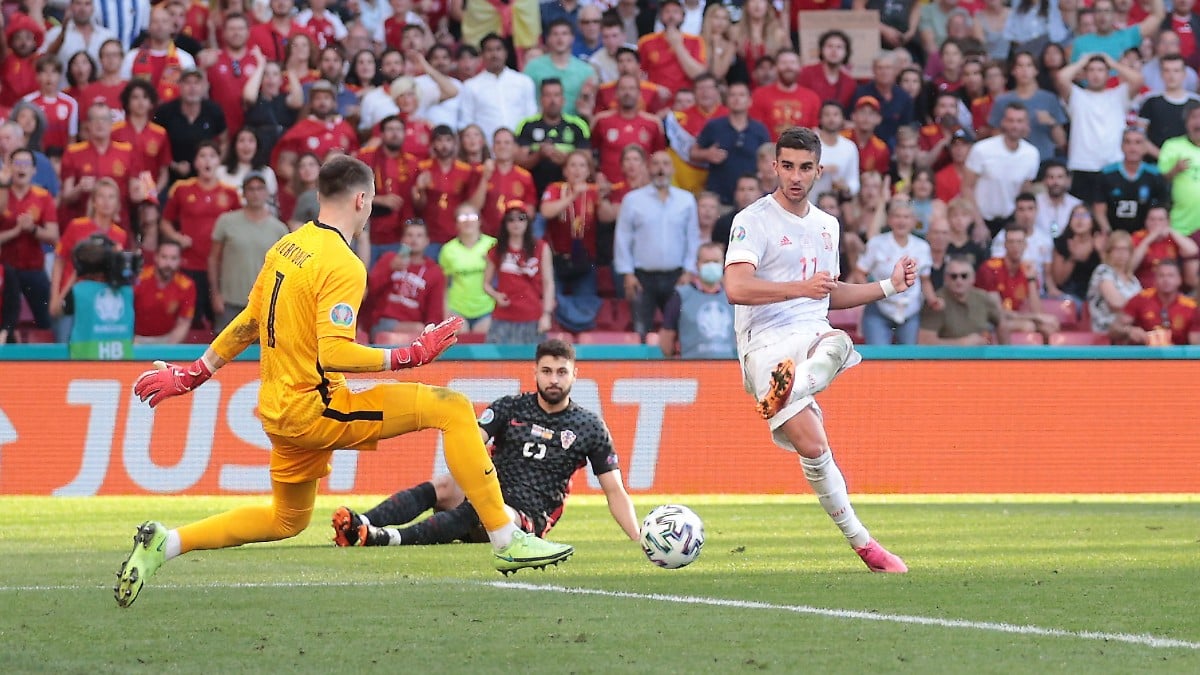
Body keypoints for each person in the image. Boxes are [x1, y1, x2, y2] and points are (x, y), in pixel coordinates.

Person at [116, 155, 575, 609]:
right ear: (361, 199)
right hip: (316, 407)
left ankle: (167, 543)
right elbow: (333, 352)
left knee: (286, 520)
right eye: (372, 200)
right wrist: (408, 355)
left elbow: (250, 319)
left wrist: (197, 371)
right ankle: (505, 539)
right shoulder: (344, 263)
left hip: (279, 409)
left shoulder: (286, 246)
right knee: (452, 408)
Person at [723, 126, 912, 573]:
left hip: (809, 334)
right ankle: (862, 541)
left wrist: (888, 286)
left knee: (840, 339)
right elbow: (735, 286)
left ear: (819, 171)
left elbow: (827, 296)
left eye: (805, 167)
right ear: (774, 167)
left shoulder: (828, 226)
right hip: (764, 342)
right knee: (814, 446)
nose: (795, 176)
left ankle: (868, 550)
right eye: (787, 166)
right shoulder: (753, 219)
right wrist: (798, 288)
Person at [331, 338, 640, 547]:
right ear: (535, 371)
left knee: (483, 507)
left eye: (562, 372)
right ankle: (361, 523)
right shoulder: (510, 407)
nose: (554, 379)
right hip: (490, 494)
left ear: (575, 374)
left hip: (526, 519)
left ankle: (384, 537)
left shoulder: (588, 426)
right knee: (444, 485)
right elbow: (469, 444)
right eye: (547, 371)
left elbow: (615, 491)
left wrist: (638, 538)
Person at [614, 151, 701, 339]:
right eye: (656, 164)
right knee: (641, 331)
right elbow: (623, 238)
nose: (661, 169)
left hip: (677, 276)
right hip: (642, 277)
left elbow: (693, 237)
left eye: (666, 164)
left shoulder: (686, 200)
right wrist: (628, 274)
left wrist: (688, 270)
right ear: (648, 168)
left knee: (680, 330)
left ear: (672, 169)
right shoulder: (632, 200)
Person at [851, 197, 939, 345]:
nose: (901, 221)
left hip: (910, 310)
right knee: (878, 359)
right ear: (889, 220)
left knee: (908, 360)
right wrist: (870, 294)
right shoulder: (876, 243)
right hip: (879, 308)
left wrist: (932, 299)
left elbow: (925, 280)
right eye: (897, 216)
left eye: (906, 217)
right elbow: (859, 272)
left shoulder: (922, 246)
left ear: (913, 221)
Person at [208, 172, 288, 332]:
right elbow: (213, 259)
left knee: (262, 354)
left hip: (265, 305)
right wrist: (215, 294)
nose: (255, 193)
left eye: (260, 188)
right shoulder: (226, 221)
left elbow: (285, 270)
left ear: (267, 192)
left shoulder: (280, 229)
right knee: (224, 353)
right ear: (243, 193)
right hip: (230, 303)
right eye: (250, 189)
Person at [484, 200, 555, 344]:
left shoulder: (541, 247)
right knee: (497, 364)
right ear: (505, 223)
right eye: (510, 219)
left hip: (533, 316)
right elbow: (485, 284)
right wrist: (496, 295)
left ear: (527, 221)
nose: (516, 223)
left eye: (521, 218)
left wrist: (546, 315)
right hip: (503, 318)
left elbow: (549, 284)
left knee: (532, 363)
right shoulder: (496, 250)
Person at [660, 242, 736, 358]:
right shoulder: (681, 296)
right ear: (697, 265)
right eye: (706, 262)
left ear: (723, 265)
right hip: (692, 370)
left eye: (715, 261)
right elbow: (666, 338)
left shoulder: (734, 296)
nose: (711, 265)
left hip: (728, 370)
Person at [918, 255, 1009, 345]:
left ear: (973, 278)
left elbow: (1001, 322)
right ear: (946, 279)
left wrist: (1005, 354)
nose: (959, 280)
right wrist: (962, 343)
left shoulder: (983, 297)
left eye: (964, 276)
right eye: (954, 276)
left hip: (981, 356)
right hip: (949, 358)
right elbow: (925, 341)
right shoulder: (937, 303)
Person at [1108, 259, 1200, 345]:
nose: (1166, 280)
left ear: (1179, 280)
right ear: (1155, 279)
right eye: (1161, 275)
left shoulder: (1191, 307)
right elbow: (1114, 329)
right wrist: (1128, 331)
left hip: (1178, 358)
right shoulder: (1140, 299)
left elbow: (1195, 342)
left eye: (1170, 275)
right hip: (1143, 357)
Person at [439, 203, 497, 334]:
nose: (468, 221)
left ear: (480, 221)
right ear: (456, 224)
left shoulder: (493, 244)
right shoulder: (448, 250)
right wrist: (445, 313)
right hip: (457, 308)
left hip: (487, 308)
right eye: (462, 217)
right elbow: (444, 286)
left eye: (472, 216)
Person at [132, 239, 195, 344]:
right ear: (156, 257)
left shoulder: (187, 285)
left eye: (173, 258)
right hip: (136, 339)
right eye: (164, 257)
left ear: (180, 261)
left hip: (168, 339)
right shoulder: (139, 278)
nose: (168, 263)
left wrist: (166, 349)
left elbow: (184, 322)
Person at [1087, 230, 1142, 334]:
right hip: (1107, 330)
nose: (1121, 253)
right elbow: (1116, 303)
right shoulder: (1103, 271)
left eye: (1125, 249)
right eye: (1117, 249)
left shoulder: (1133, 280)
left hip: (1131, 327)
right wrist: (1139, 311)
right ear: (1109, 251)